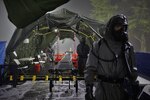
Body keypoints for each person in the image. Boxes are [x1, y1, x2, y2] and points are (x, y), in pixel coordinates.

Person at [84, 14, 138, 100]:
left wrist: (134, 85)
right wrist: (88, 88)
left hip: (121, 90)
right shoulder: (98, 45)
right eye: (118, 26)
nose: (122, 30)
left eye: (124, 27)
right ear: (111, 28)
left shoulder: (128, 47)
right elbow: (90, 68)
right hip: (102, 90)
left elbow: (133, 70)